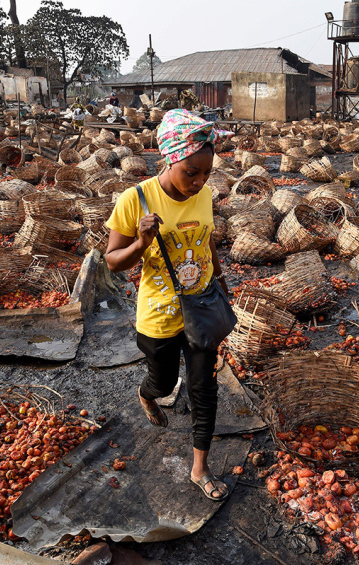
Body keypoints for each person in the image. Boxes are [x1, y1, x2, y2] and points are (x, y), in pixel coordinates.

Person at [104, 109, 234, 501]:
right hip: (159, 316)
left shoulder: (206, 195)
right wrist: (141, 244)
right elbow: (112, 259)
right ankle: (147, 394)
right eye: (191, 172)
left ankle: (200, 468)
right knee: (163, 383)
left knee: (203, 388)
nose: (199, 183)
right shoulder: (136, 199)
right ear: (170, 159)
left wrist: (221, 281)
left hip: (200, 308)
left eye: (206, 174)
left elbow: (208, 240)